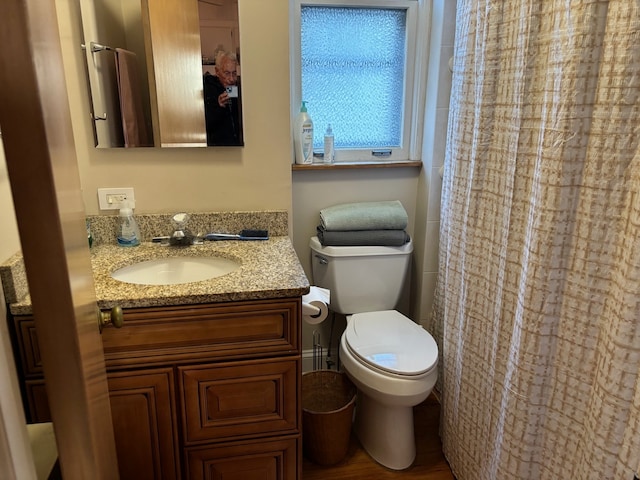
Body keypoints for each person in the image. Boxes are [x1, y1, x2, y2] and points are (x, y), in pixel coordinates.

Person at [204, 51, 243, 146]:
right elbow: (206, 126)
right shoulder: (208, 89)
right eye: (227, 73)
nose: (231, 79)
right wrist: (218, 106)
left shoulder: (239, 87)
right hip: (218, 149)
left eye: (234, 73)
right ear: (217, 72)